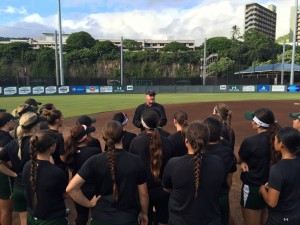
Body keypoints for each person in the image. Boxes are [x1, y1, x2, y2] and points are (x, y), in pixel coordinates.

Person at [66, 120, 149, 225]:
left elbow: (71, 189)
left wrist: (89, 204)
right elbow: (143, 194)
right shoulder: (136, 161)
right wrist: (144, 213)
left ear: (104, 138)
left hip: (101, 218)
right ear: (122, 136)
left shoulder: (94, 160)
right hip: (128, 218)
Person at [162, 121, 225, 225]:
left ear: (186, 141)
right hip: (210, 221)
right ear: (207, 141)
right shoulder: (218, 162)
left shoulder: (173, 164)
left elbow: (167, 188)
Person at [237, 108, 281, 225]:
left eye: (253, 120)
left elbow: (238, 159)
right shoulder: (278, 140)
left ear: (257, 124)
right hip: (272, 188)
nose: (251, 122)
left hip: (253, 189)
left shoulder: (250, 141)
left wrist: (242, 162)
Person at [129, 109, 173, 225]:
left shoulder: (136, 142)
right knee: (163, 221)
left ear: (143, 124)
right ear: (159, 122)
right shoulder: (167, 141)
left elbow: (133, 167)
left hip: (144, 191)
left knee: (145, 220)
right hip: (164, 190)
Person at [0, 111, 41, 225]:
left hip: (18, 186)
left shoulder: (13, 143)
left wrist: (14, 174)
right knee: (38, 219)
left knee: (24, 219)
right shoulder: (39, 142)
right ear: (36, 125)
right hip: (34, 186)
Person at [22, 131, 69, 225]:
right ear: (51, 148)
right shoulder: (57, 172)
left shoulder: (27, 165)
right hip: (52, 219)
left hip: (32, 216)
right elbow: (65, 195)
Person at [259, 127, 300, 225]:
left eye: (276, 139)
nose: (274, 141)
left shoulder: (277, 169)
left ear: (281, 144)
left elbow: (272, 202)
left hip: (280, 219)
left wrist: (263, 190)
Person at [63, 125, 101, 225]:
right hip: (94, 188)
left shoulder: (70, 152)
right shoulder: (94, 151)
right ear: (86, 137)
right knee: (97, 215)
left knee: (81, 216)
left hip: (78, 188)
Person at [203, 117, 237, 225]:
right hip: (221, 195)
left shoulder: (197, 151)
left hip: (202, 196)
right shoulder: (227, 152)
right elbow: (229, 179)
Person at [0, 112, 18, 225]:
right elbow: (2, 160)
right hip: (5, 177)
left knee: (3, 209)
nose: (15, 122)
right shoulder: (4, 138)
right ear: (8, 123)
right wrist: (14, 172)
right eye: (13, 120)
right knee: (7, 210)